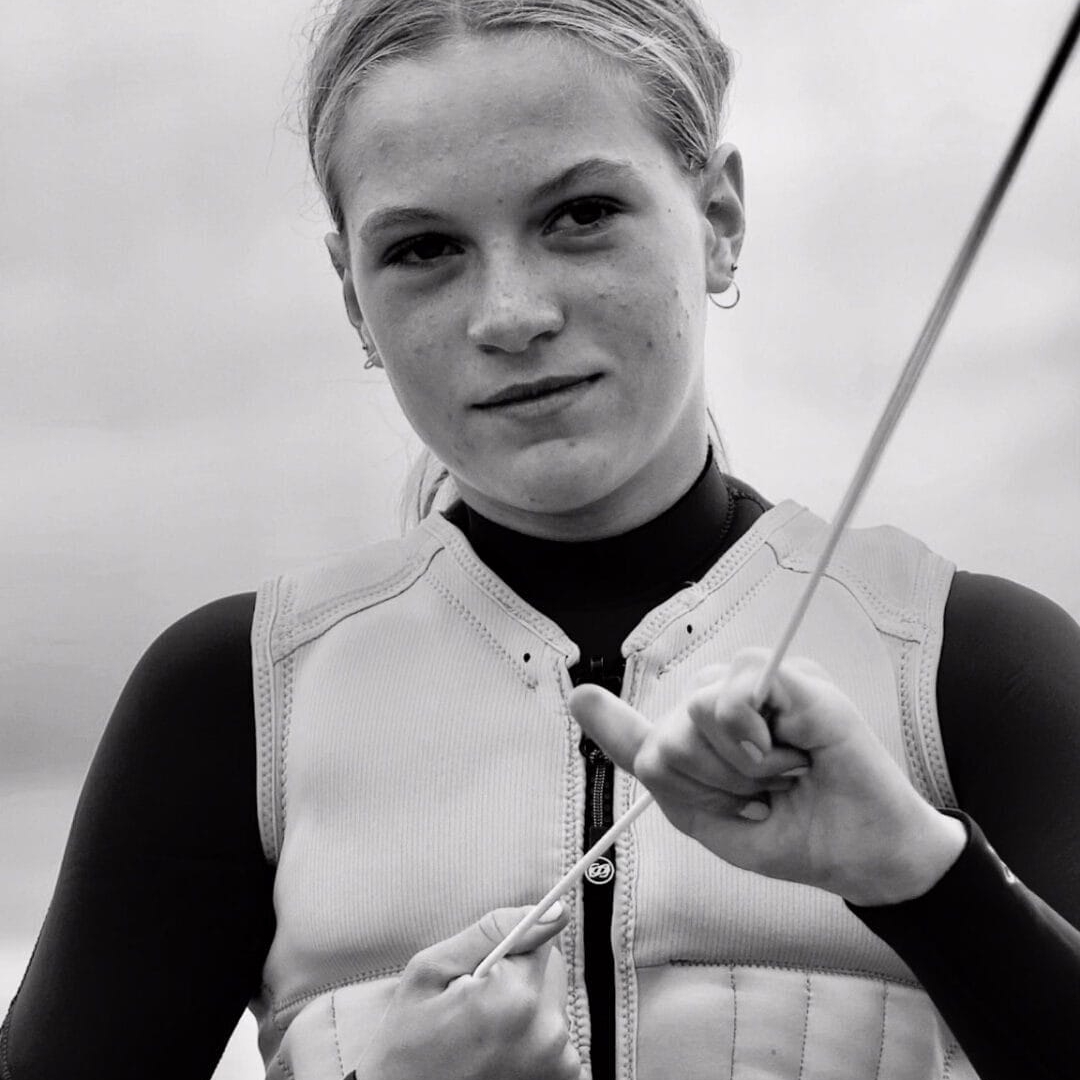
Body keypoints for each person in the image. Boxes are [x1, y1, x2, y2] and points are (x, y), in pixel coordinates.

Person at [3, 1, 1080, 1078]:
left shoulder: (964, 661)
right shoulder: (238, 701)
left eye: (580, 215)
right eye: (424, 248)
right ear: (352, 298)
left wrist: (928, 881)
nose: (509, 314)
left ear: (719, 220)